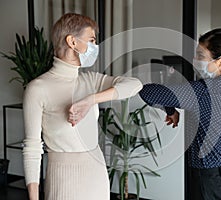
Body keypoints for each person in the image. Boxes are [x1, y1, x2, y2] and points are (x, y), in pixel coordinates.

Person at [22, 13, 143, 200]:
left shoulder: (91, 80)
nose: (95, 47)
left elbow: (134, 85)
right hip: (61, 178)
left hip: (95, 173)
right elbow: (32, 147)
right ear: (72, 41)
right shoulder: (38, 88)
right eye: (92, 40)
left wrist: (90, 100)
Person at [138, 28, 221, 200]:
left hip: (209, 183)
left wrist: (170, 109)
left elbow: (148, 92)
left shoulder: (203, 91)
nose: (195, 60)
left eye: (200, 56)